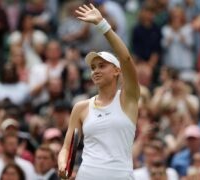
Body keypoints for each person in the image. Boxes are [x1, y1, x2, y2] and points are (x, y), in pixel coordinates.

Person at [58, 3, 140, 180]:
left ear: (117, 71)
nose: (95, 70)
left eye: (102, 66)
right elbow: (67, 147)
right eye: (93, 67)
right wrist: (63, 163)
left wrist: (102, 24)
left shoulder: (129, 99)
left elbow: (125, 58)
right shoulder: (81, 107)